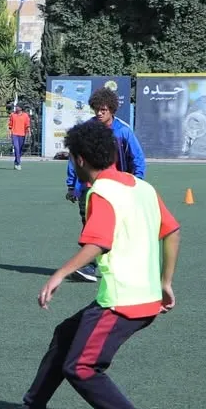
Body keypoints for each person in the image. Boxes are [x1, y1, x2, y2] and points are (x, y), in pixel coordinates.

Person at [0, 119, 179, 409]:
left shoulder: (101, 193)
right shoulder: (141, 187)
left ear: (78, 160)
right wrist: (165, 281)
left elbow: (98, 243)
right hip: (144, 296)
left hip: (122, 302)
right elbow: (173, 231)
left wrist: (58, 274)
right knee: (65, 335)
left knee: (82, 367)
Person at [65, 86, 145, 280]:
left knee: (117, 228)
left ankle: (120, 265)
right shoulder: (87, 131)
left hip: (117, 188)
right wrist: (72, 185)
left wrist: (137, 182)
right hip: (90, 188)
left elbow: (138, 158)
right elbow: (75, 158)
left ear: (112, 110)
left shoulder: (123, 132)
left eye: (104, 110)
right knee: (89, 226)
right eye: (97, 110)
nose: (99, 113)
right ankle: (89, 267)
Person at [8, 104, 31, 170]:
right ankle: (18, 163)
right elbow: (10, 124)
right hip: (14, 134)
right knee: (16, 147)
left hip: (22, 134)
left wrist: (29, 131)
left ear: (21, 108)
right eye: (16, 107)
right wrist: (9, 132)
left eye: (17, 107)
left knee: (20, 149)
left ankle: (16, 161)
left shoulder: (25, 115)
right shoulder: (13, 115)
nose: (16, 108)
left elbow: (27, 124)